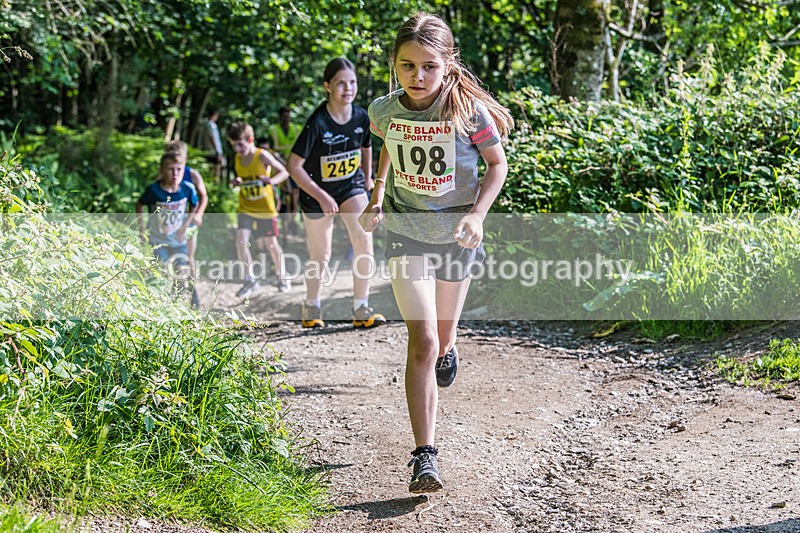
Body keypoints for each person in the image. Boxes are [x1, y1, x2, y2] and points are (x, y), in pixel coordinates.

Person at [359, 12, 514, 493]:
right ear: (394, 64)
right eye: (407, 66)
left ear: (448, 65)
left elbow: (497, 164)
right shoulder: (382, 110)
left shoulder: (470, 113)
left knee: (443, 342)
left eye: (429, 66)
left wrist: (477, 215)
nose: (418, 77)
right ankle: (425, 456)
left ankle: (451, 350)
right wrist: (378, 193)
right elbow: (389, 142)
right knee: (422, 340)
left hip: (457, 234)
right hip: (407, 229)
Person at [287, 58, 386, 330]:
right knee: (321, 253)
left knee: (364, 241)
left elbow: (366, 146)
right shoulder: (317, 122)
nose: (348, 88)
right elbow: (293, 166)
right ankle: (312, 305)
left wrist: (367, 178)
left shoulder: (361, 117)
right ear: (327, 86)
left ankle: (360, 308)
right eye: (341, 83)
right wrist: (320, 196)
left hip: (350, 187)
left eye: (352, 82)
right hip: (316, 193)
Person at [227, 120, 292, 298]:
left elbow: (284, 171)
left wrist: (272, 181)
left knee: (271, 244)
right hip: (246, 206)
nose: (238, 149)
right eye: (234, 146)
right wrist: (237, 182)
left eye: (240, 144)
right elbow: (242, 177)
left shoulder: (261, 155)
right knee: (241, 241)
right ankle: (250, 280)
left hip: (265, 208)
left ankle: (282, 276)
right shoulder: (238, 158)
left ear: (250, 140)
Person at [136, 152, 200, 306]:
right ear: (162, 171)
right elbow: (139, 204)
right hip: (159, 240)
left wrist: (186, 225)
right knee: (161, 268)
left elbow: (194, 204)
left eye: (179, 169)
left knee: (180, 269)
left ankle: (176, 301)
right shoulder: (154, 190)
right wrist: (142, 228)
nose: (175, 174)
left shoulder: (187, 188)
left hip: (178, 240)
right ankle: (150, 301)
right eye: (171, 169)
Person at [164, 140, 208, 286]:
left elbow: (203, 196)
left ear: (185, 158)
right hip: (170, 223)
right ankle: (175, 290)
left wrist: (199, 214)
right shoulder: (165, 175)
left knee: (188, 256)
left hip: (189, 221)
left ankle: (193, 294)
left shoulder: (192, 174)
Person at [269, 107, 302, 235]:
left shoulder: (296, 129)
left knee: (295, 192)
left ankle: (293, 219)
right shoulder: (273, 131)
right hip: (279, 168)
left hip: (294, 167)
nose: (286, 118)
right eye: (284, 116)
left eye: (288, 116)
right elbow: (271, 149)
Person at [203, 108, 226, 181]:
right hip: (213, 151)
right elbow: (212, 138)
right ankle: (214, 185)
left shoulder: (206, 124)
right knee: (215, 170)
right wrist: (217, 151)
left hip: (209, 150)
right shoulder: (211, 125)